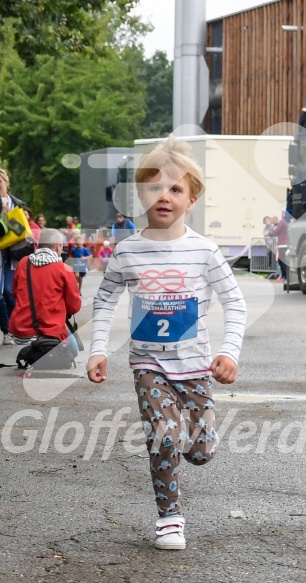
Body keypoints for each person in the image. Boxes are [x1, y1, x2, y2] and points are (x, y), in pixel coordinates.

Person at [87, 135, 247, 551]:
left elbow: (235, 303)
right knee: (165, 437)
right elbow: (103, 301)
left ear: (191, 199)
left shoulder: (205, 252)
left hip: (196, 369)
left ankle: (198, 443)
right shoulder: (127, 251)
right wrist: (98, 348)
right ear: (141, 194)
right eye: (155, 187)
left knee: (199, 452)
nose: (164, 196)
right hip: (149, 365)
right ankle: (170, 517)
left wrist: (228, 352)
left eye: (175, 189)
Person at [8, 228, 81, 357]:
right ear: (58, 246)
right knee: (74, 351)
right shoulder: (64, 269)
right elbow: (74, 306)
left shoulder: (23, 263)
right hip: (51, 331)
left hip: (20, 332)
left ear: (38, 244)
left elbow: (15, 293)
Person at [0, 169, 26, 318]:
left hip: (13, 253)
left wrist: (7, 214)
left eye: (0, 181)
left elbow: (22, 229)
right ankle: (7, 329)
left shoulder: (17, 204)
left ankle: (19, 323)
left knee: (9, 290)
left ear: (6, 182)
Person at [271, 209, 288, 282]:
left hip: (282, 244)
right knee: (282, 261)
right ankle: (284, 276)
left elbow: (276, 231)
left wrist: (269, 233)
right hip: (284, 244)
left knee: (281, 262)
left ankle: (284, 277)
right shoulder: (286, 222)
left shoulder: (282, 222)